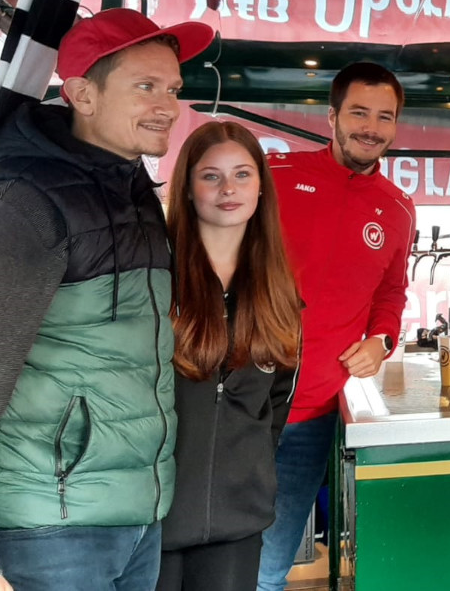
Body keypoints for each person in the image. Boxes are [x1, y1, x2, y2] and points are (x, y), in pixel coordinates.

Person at [0, 8, 214, 591]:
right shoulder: (19, 203)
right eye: (145, 86)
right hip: (42, 531)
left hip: (133, 520)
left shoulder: (133, 194)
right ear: (82, 94)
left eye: (174, 89)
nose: (168, 106)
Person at [256, 63, 416, 591]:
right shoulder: (272, 177)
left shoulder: (398, 208)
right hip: (234, 401)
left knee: (270, 568)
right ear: (331, 116)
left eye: (384, 117)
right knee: (201, 551)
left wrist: (381, 339)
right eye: (359, 112)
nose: (371, 127)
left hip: (314, 415)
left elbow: (391, 292)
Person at [157, 122, 302, 591]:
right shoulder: (155, 277)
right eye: (211, 176)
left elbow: (275, 408)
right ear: (187, 187)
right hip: (150, 519)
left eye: (242, 174)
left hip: (238, 525)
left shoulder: (278, 293)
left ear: (261, 186)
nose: (228, 190)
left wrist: (253, 476)